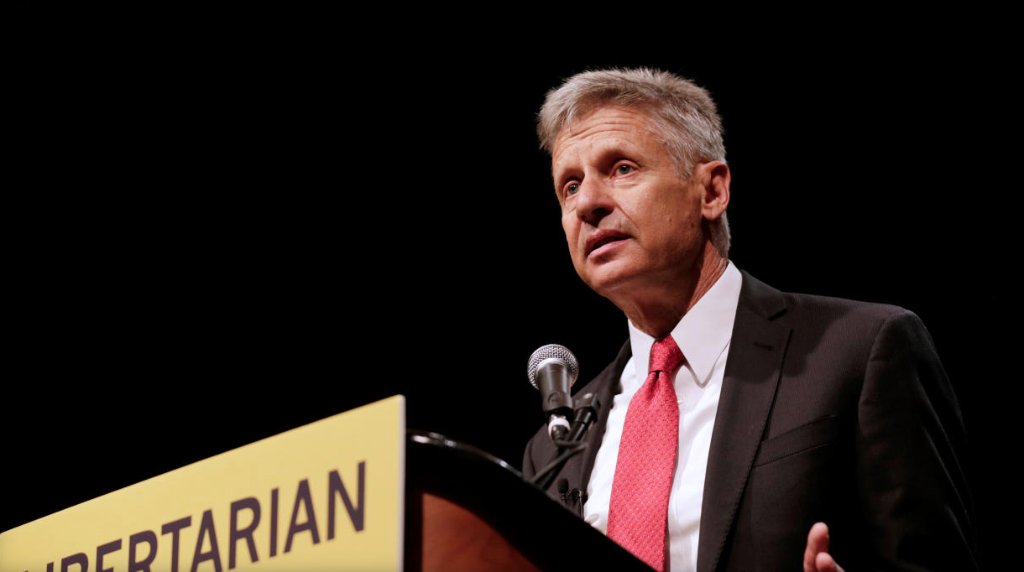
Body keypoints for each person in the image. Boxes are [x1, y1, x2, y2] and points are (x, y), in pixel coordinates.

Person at [521, 68, 977, 572]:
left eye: (622, 168)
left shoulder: (859, 352)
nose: (587, 203)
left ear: (711, 191)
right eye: (569, 186)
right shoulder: (554, 449)